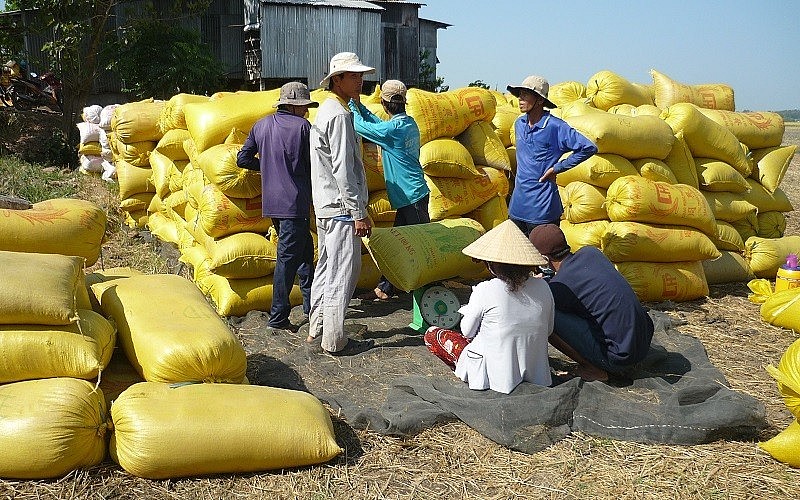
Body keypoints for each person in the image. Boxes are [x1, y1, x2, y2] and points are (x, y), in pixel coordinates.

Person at [423, 220, 555, 394]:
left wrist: (470, 311)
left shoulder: (486, 289)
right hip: (535, 372)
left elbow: (467, 332)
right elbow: (549, 330)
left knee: (433, 334)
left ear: (492, 265)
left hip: (494, 377)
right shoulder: (543, 287)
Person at [306, 52, 376, 356]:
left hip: (327, 206)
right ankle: (334, 340)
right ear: (337, 80)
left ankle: (317, 329)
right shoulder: (340, 116)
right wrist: (358, 212)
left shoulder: (328, 110)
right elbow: (344, 169)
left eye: (360, 75)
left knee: (326, 267)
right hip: (341, 209)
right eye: (353, 76)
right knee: (343, 271)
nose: (360, 81)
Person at [236, 81, 317, 331]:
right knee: (286, 260)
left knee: (304, 255)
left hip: (273, 205)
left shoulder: (260, 125)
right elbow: (314, 164)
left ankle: (311, 305)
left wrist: (268, 165)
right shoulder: (304, 128)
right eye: (303, 107)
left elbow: (243, 158)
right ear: (292, 106)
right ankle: (278, 318)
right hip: (295, 205)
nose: (306, 111)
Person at [528, 224, 654, 382]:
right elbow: (580, 283)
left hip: (619, 358)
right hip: (643, 342)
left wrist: (540, 286)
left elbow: (561, 288)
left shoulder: (560, 288)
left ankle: (593, 369)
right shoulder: (591, 252)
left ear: (545, 259)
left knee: (546, 315)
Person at [349, 79, 430, 301]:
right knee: (399, 245)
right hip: (414, 195)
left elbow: (361, 126)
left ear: (384, 104)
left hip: (411, 196)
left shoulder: (393, 129)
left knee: (418, 247)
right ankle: (385, 288)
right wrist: (361, 106)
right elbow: (377, 124)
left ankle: (428, 292)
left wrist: (351, 106)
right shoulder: (408, 123)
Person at [506, 75, 598, 236]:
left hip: (542, 209)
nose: (520, 98)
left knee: (543, 257)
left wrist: (557, 168)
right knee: (515, 257)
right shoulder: (519, 124)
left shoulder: (555, 126)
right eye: (519, 93)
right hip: (517, 207)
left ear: (540, 100)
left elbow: (588, 147)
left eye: (526, 94)